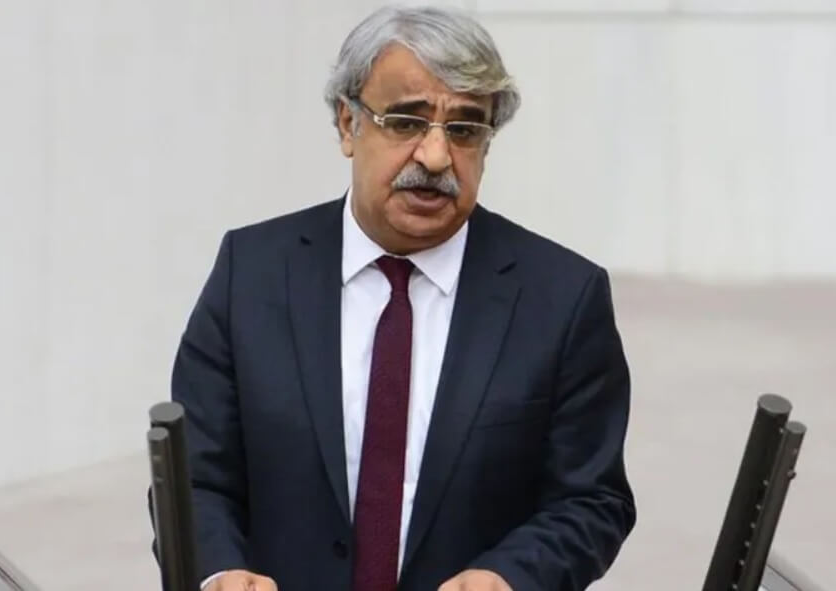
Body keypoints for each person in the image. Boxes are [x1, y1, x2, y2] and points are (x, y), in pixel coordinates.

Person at [159, 6, 635, 591]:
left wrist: (510, 577)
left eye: (464, 130)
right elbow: (195, 478)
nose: (436, 157)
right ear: (347, 125)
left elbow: (591, 500)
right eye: (406, 122)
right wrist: (219, 572)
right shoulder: (251, 274)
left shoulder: (562, 298)